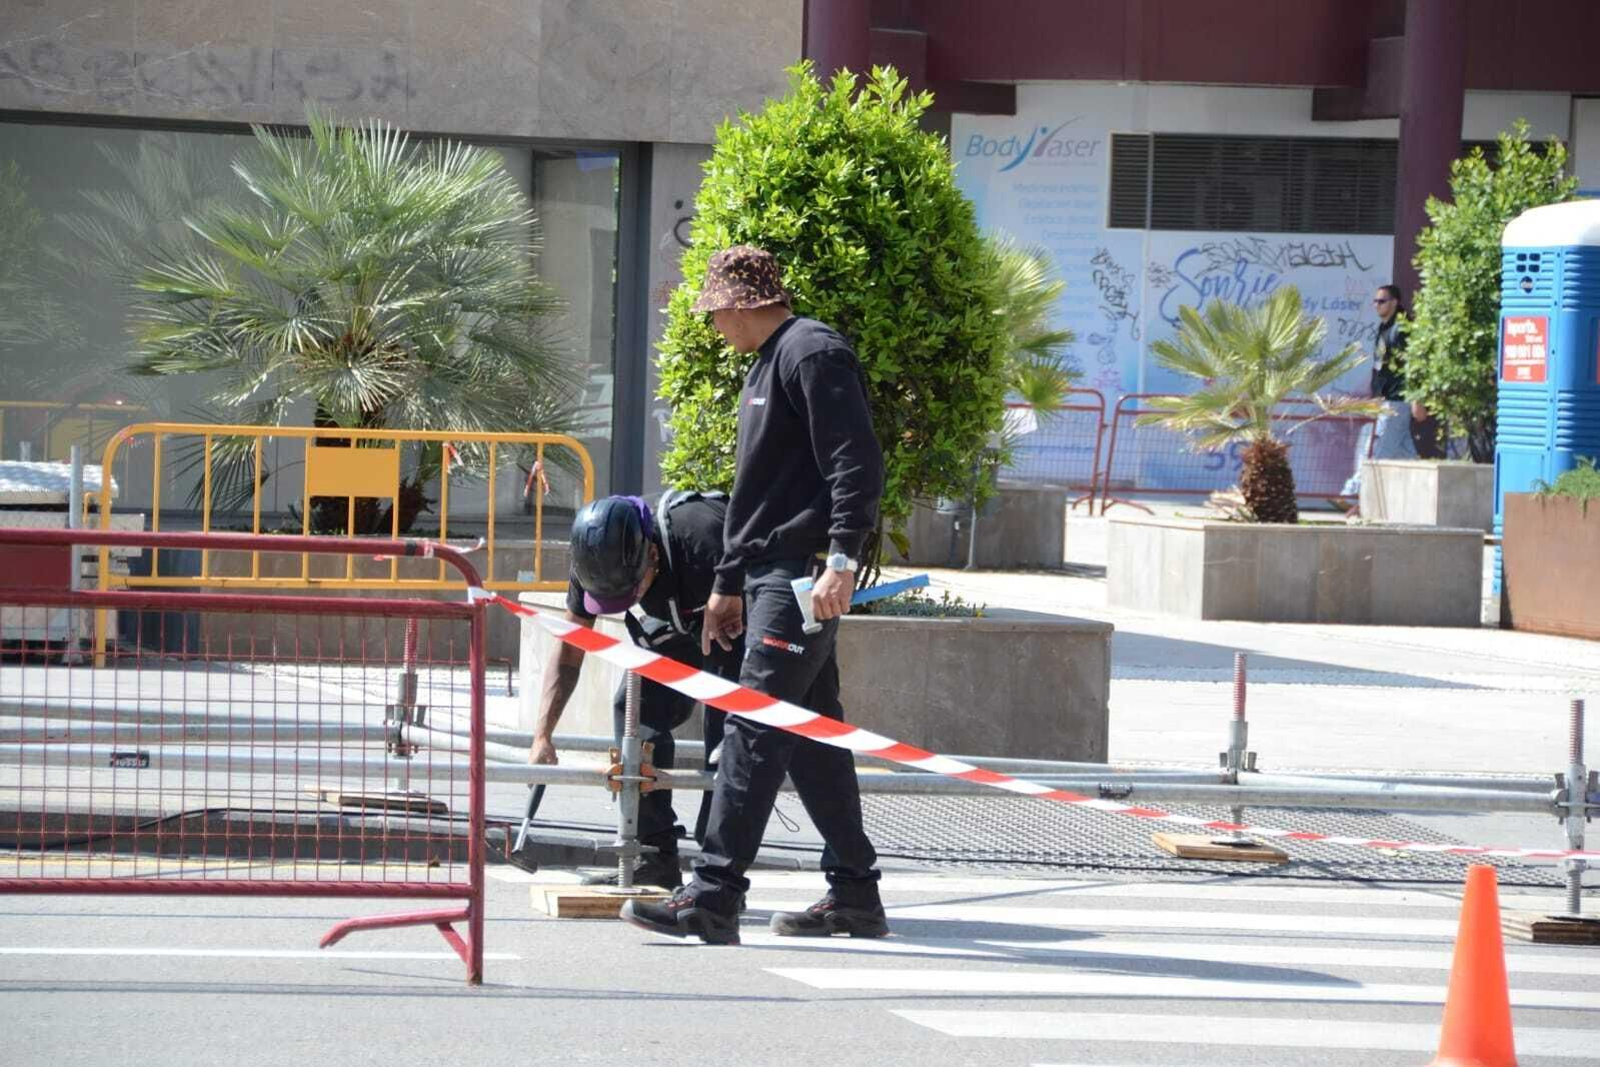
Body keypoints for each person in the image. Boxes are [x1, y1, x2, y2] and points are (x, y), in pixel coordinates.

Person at [620, 245, 888, 946]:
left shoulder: (812, 352)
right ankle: (856, 893)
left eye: (713, 312)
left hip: (801, 573)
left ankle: (712, 894)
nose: (711, 326)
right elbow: (757, 492)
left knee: (752, 721)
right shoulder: (768, 363)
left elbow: (856, 463)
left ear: (741, 302)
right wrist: (729, 579)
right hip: (770, 571)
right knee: (810, 734)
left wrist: (842, 560)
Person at [529, 492, 740, 888]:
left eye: (632, 589)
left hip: (736, 621)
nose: (629, 600)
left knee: (725, 741)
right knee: (634, 706)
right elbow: (570, 652)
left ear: (653, 554)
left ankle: (718, 879)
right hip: (683, 623)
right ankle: (654, 856)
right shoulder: (595, 560)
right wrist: (543, 734)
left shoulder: (702, 537)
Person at [1342, 284, 1433, 498]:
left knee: (1378, 450)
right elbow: (1380, 367)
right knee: (1404, 454)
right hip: (1387, 400)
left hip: (1398, 401)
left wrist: (1416, 398)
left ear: (1395, 302)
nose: (1377, 305)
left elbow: (1414, 363)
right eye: (1375, 301)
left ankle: (1351, 493)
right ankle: (1427, 495)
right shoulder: (1384, 328)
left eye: (1382, 301)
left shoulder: (1402, 328)